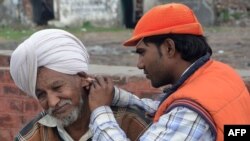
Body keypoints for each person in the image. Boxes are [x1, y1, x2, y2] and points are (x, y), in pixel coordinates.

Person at [88, 3, 250, 141]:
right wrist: (114, 95)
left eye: (142, 53)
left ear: (169, 48)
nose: (139, 64)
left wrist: (100, 111)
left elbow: (180, 113)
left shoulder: (189, 113)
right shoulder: (220, 73)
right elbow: (163, 107)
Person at [10, 29, 150, 141]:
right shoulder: (32, 136)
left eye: (57, 87)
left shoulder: (129, 122)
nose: (52, 102)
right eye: (41, 95)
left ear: (83, 78)